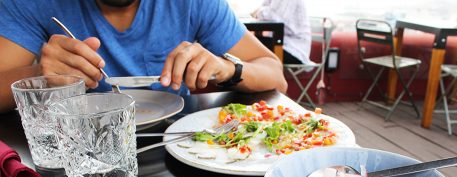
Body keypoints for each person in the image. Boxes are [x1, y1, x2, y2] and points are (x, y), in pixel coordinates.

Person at [0, 0, 287, 114]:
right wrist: (40, 75)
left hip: (179, 147)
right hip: (77, 158)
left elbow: (275, 75)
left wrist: (227, 69)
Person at [252, 0, 311, 65]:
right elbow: (262, 11)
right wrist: (259, 11)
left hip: (293, 48)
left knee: (249, 44)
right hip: (283, 42)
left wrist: (258, 11)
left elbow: (273, 17)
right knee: (250, 42)